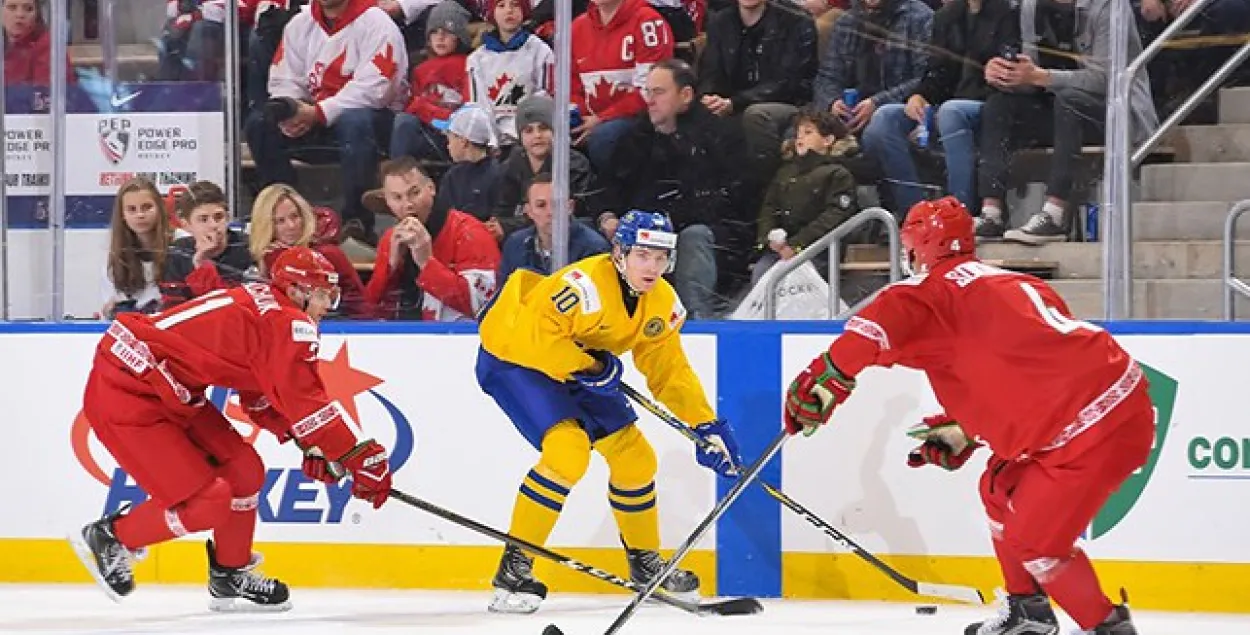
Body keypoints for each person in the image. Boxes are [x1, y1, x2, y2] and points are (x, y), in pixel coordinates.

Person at [781, 196, 1151, 635]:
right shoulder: (1017, 283)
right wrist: (970, 428)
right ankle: (1028, 613)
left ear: (919, 247)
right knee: (998, 486)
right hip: (1115, 403)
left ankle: (1105, 627)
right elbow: (1029, 365)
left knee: (1037, 544)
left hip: (1087, 433)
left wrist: (825, 378)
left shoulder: (927, 293)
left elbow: (872, 330)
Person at [69, 247, 394, 613]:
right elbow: (308, 403)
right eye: (320, 295)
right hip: (127, 391)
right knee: (208, 503)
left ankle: (230, 571)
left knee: (245, 472)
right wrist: (357, 455)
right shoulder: (289, 323)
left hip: (166, 386)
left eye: (330, 297)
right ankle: (112, 537)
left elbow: (261, 400)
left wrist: (312, 446)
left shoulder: (270, 311)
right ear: (296, 290)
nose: (325, 307)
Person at [475, 210, 743, 614]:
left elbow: (669, 370)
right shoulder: (581, 287)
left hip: (582, 364)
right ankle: (514, 568)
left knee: (636, 457)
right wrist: (592, 368)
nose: (652, 267)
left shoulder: (661, 301)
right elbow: (536, 340)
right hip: (516, 359)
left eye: (660, 257)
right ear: (619, 253)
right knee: (568, 451)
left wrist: (705, 423)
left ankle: (645, 566)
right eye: (642, 255)